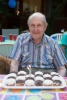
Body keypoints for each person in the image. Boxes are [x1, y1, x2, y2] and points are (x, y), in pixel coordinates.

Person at [10, 12, 67, 76]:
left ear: (45, 27)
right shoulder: (21, 39)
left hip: (48, 81)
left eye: (39, 25)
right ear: (29, 26)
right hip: (25, 80)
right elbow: (14, 63)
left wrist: (58, 82)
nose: (35, 29)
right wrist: (13, 77)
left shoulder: (53, 43)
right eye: (32, 25)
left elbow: (61, 68)